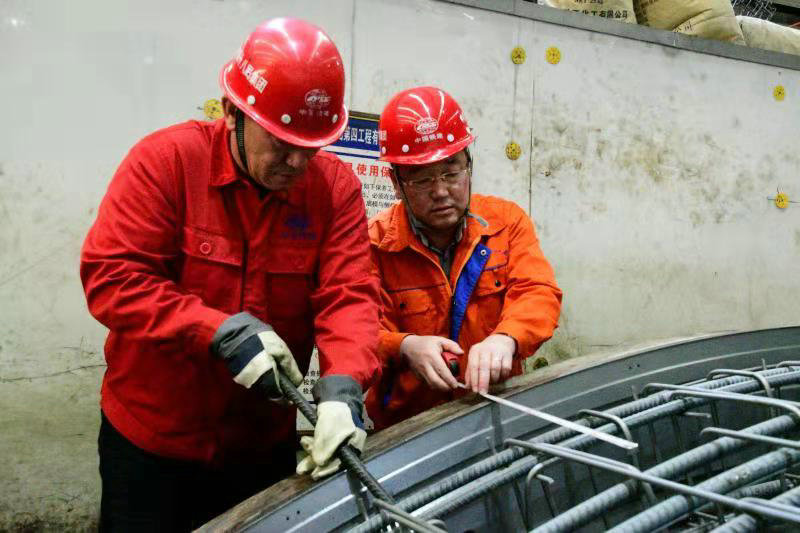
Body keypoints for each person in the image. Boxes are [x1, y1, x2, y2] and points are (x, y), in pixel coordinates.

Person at [80, 18, 379, 530]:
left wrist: (344, 388)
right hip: (152, 446)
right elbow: (112, 276)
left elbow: (348, 296)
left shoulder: (334, 189)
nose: (296, 162)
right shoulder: (168, 162)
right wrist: (214, 330)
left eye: (311, 145)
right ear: (234, 112)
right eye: (281, 141)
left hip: (259, 449)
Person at [364, 86, 562, 430]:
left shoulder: (506, 223)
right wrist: (405, 346)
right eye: (422, 179)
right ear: (395, 182)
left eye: (451, 172)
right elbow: (361, 329)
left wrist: (507, 337)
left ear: (468, 165)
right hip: (409, 429)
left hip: (494, 411)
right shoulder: (374, 245)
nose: (441, 191)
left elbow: (538, 292)